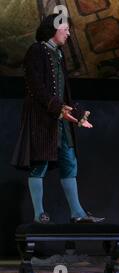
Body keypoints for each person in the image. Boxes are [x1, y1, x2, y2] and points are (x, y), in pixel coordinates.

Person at [11, 14, 104, 224]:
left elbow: (64, 92)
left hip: (60, 118)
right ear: (53, 28)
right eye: (66, 29)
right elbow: (36, 87)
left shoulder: (59, 54)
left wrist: (77, 114)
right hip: (42, 118)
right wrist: (57, 108)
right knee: (40, 163)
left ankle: (77, 213)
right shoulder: (37, 51)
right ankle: (39, 213)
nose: (69, 33)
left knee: (70, 161)